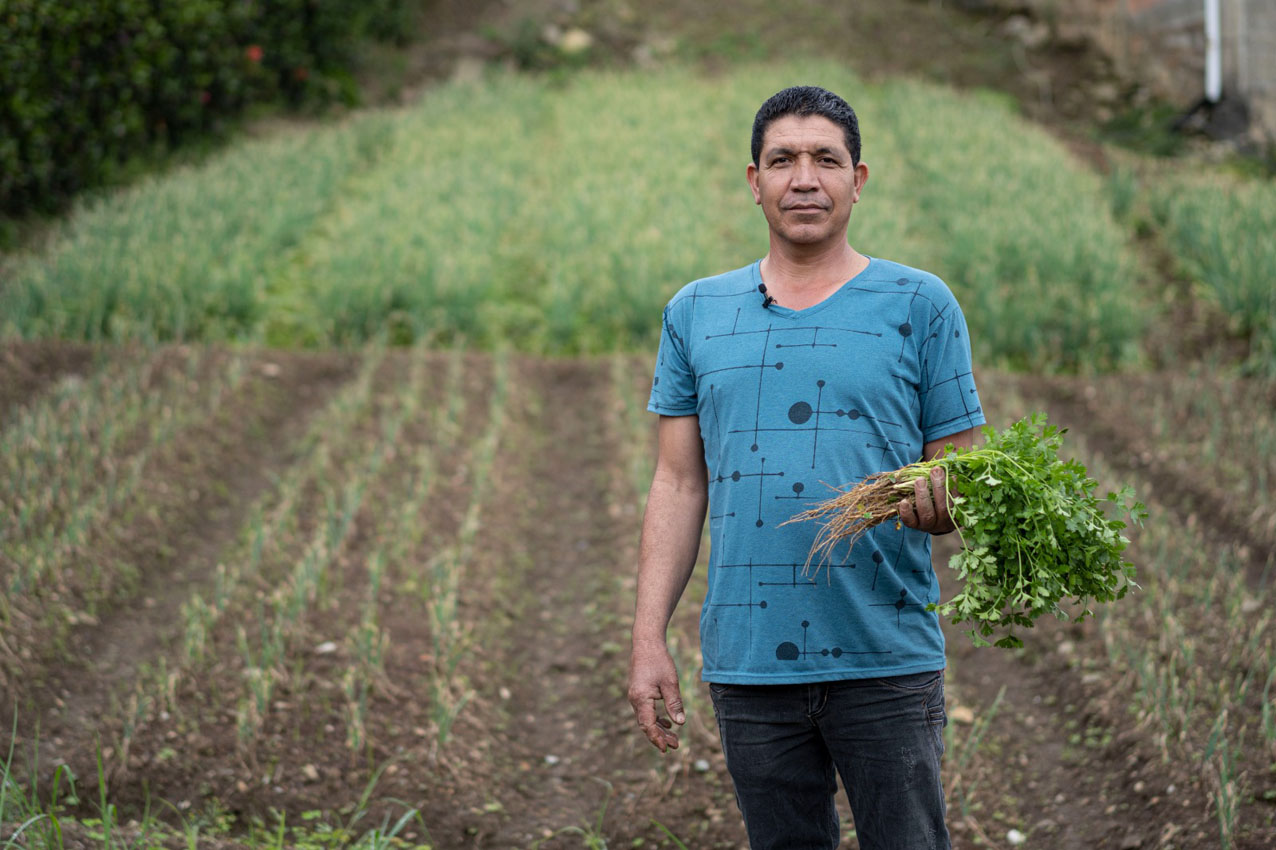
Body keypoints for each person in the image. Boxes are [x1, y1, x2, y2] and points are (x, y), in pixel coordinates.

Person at [626, 85, 985, 850]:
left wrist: (943, 499)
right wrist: (647, 637)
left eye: (826, 159)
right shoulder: (695, 311)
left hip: (883, 654)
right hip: (749, 660)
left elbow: (963, 470)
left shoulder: (920, 304)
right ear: (754, 181)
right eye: (782, 160)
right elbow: (680, 482)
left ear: (858, 179)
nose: (804, 178)